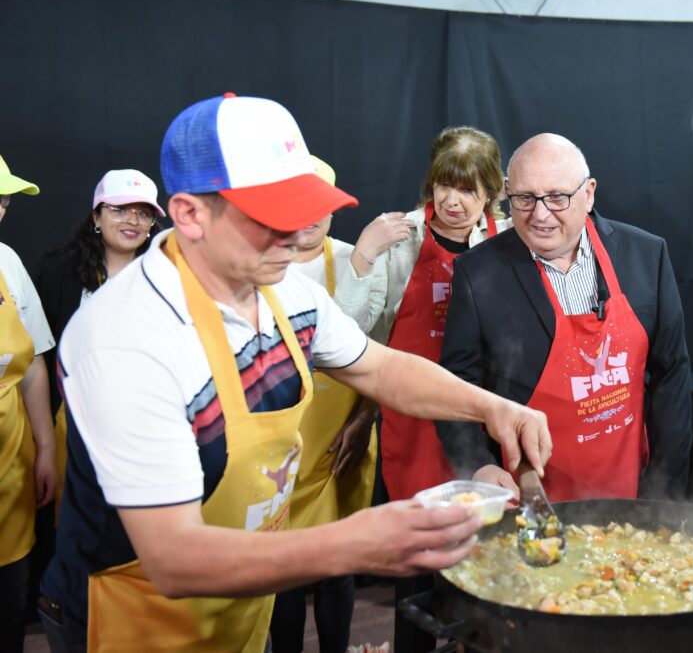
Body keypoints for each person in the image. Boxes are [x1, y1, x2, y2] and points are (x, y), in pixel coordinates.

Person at [38, 93, 550, 653]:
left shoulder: (284, 290)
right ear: (189, 214)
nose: (296, 235)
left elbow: (378, 367)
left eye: (301, 210)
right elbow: (175, 560)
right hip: (140, 623)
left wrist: (492, 407)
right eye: (268, 217)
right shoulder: (125, 339)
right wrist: (352, 545)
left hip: (240, 611)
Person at [436, 133, 692, 502]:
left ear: (588, 194)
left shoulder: (646, 256)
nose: (540, 214)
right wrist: (477, 464)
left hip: (634, 488)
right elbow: (453, 386)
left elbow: (672, 377)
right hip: (532, 495)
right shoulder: (478, 274)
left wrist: (664, 493)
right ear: (508, 193)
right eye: (525, 198)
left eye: (557, 197)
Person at [334, 126, 512, 501]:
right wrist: (363, 254)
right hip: (410, 411)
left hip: (484, 408)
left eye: (467, 190)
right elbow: (347, 330)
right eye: (443, 185)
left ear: (492, 193)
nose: (451, 200)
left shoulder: (509, 239)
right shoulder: (399, 238)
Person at [268, 155, 378, 653]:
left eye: (321, 204)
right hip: (279, 441)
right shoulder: (264, 262)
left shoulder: (357, 258)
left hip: (339, 438)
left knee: (337, 562)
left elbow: (380, 350)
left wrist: (362, 420)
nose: (310, 216)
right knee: (282, 566)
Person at [35, 169, 165, 502]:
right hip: (69, 425)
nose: (132, 220)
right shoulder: (58, 272)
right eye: (119, 209)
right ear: (97, 215)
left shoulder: (170, 278)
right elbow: (40, 357)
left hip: (143, 430)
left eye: (143, 212)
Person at [0, 154, 57, 653]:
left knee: (9, 604)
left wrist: (44, 447)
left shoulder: (8, 263)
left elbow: (34, 362)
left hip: (9, 475)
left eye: (1, 201)